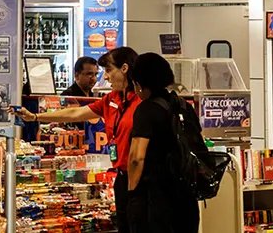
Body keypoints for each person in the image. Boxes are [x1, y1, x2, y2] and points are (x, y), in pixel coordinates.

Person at [14, 48, 139, 233]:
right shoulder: (111, 99)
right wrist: (35, 116)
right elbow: (76, 113)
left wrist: (135, 187)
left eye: (108, 70)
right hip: (121, 176)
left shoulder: (142, 101)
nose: (105, 77)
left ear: (125, 69)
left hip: (140, 179)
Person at [126, 52, 205, 233]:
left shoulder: (146, 110)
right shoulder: (184, 106)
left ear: (139, 83)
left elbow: (137, 157)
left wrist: (132, 193)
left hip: (156, 197)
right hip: (186, 195)